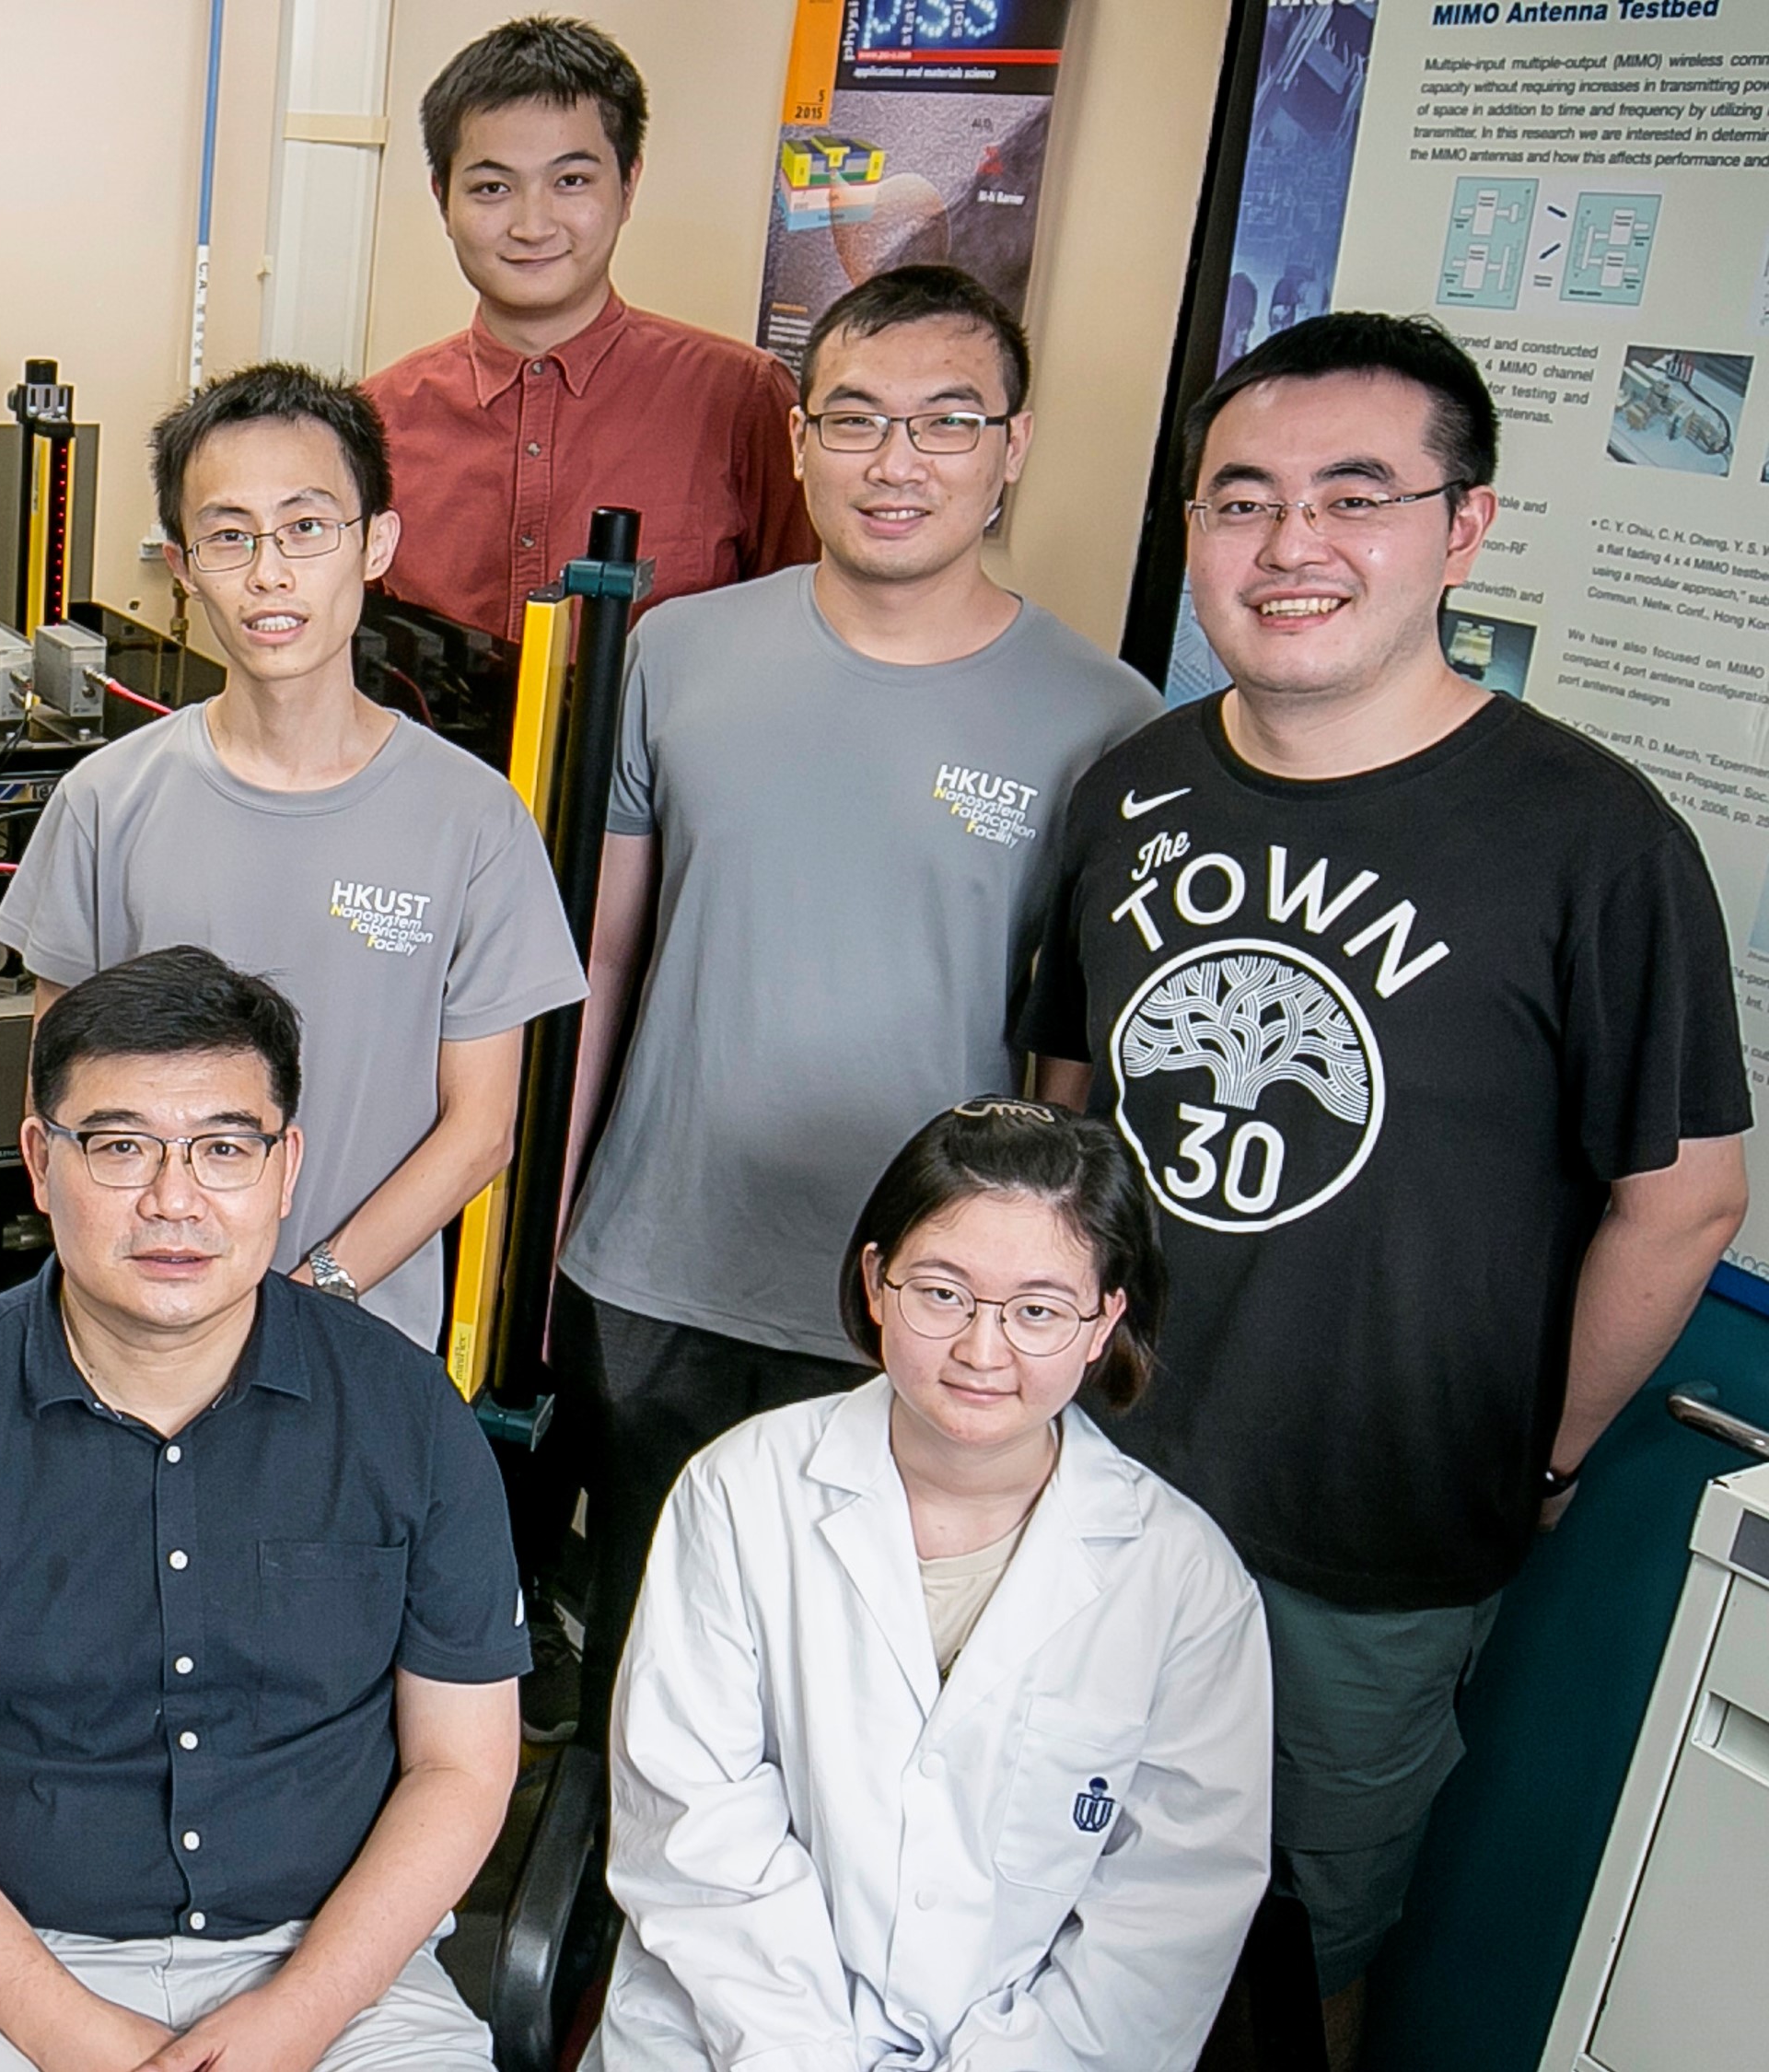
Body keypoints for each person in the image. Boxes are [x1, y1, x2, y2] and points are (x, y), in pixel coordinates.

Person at [1019, 311, 1749, 2059]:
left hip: (1374, 1536)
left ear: (1462, 527)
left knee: (1303, 1941)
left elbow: (1690, 1196)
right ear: (1188, 531)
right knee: (1038, 1873)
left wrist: (1548, 1454)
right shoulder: (1134, 791)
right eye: (1242, 501)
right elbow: (1058, 1105)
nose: (1293, 549)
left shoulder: (1591, 838)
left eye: (1357, 497)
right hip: (1098, 1472)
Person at [553, 265, 1156, 1730]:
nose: (898, 463)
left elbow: (1070, 1062)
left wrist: (1022, 1306)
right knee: (652, 1670)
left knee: (865, 1701)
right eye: (858, 419)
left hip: (929, 1314)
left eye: (949, 422)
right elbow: (605, 963)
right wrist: (553, 1231)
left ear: (1013, 448)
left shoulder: (1105, 721)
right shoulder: (676, 655)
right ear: (803, 441)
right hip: (658, 1272)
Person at [0, 947, 530, 2071]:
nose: (173, 1201)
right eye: (120, 1147)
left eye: (223, 1149)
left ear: (284, 1169)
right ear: (38, 1160)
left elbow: (461, 1767)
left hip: (340, 1974)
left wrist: (298, 2018)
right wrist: (72, 2033)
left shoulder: (404, 1411)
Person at [598, 1100, 1272, 2070]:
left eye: (1037, 1310)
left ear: (1102, 1323)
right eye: (942, 1294)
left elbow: (1165, 1916)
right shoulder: (741, 1492)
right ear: (876, 1284)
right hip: (732, 2040)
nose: (982, 1351)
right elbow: (694, 1831)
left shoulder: (1182, 1584)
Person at [3, 365, 585, 1355]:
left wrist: (318, 1293)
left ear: (376, 545)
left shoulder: (472, 818)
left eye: (307, 527)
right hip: (134, 1335)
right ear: (184, 567)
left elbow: (481, 1126)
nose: (269, 572)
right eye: (228, 536)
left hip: (358, 1335)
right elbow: (56, 1094)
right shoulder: (106, 799)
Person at [367, 16, 816, 641]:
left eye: (571, 181)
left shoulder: (743, 398)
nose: (532, 225)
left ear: (629, 185)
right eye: (492, 187)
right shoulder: (376, 418)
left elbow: (802, 626)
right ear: (443, 198)